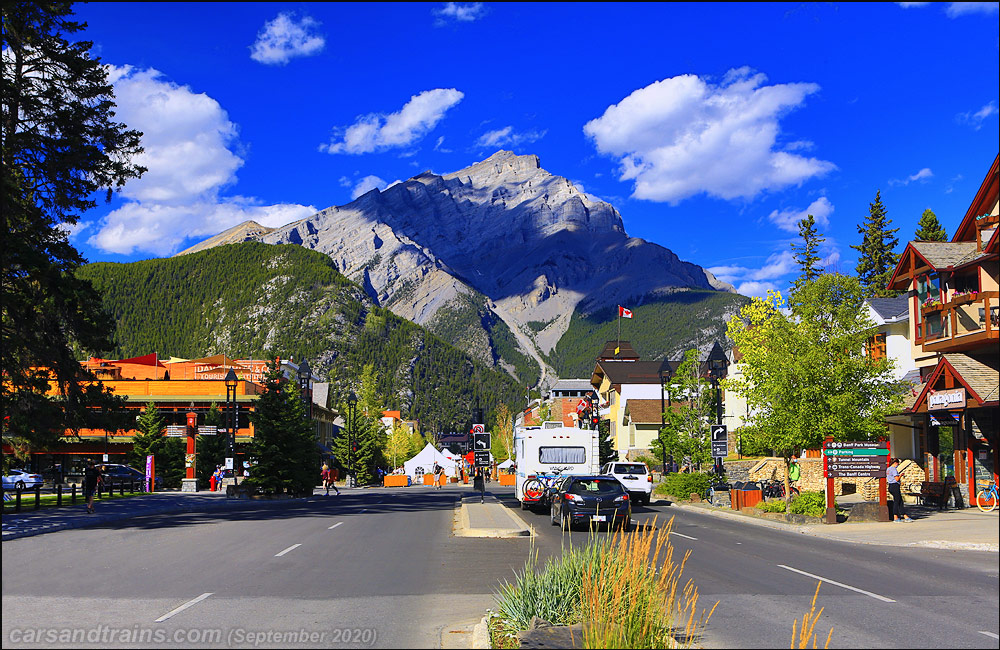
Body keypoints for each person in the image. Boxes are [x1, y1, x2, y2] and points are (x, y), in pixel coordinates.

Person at [887, 458, 913, 523]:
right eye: (898, 463)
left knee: (900, 501)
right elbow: (897, 479)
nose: (898, 465)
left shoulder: (888, 469)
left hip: (890, 486)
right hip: (895, 486)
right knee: (896, 501)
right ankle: (895, 516)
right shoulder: (893, 469)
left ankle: (905, 515)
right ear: (895, 463)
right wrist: (900, 475)